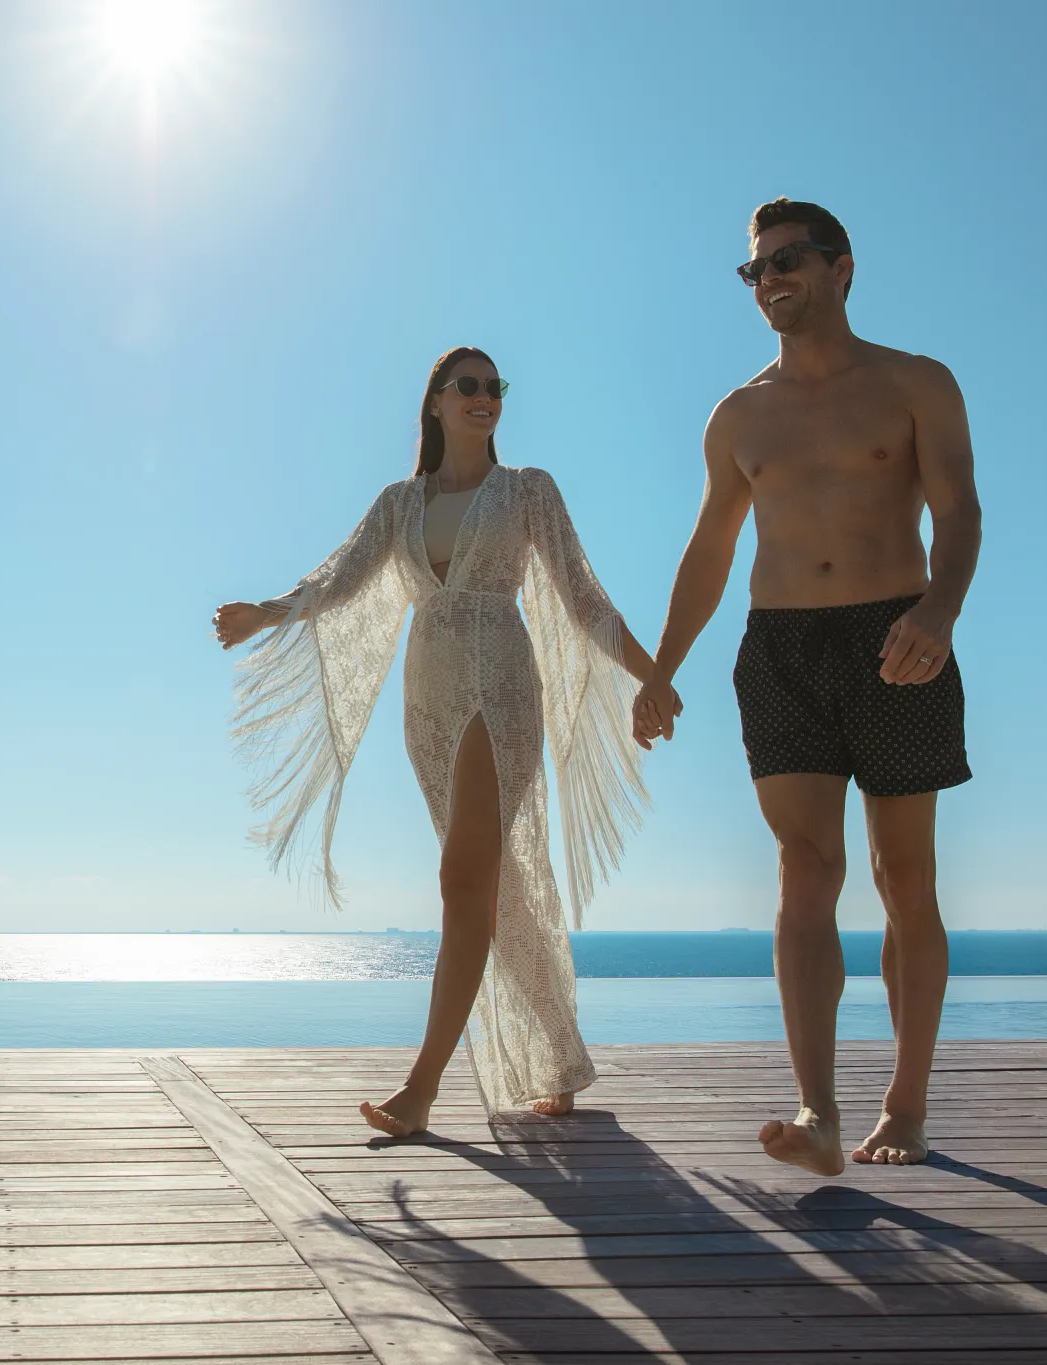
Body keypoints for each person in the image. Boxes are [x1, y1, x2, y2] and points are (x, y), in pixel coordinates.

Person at [214, 346, 660, 1132]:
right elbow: (338, 579)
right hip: (428, 701)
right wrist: (266, 612)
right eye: (469, 386)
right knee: (495, 884)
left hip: (501, 688)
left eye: (495, 387)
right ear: (436, 402)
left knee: (462, 882)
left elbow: (584, 597)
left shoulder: (528, 491)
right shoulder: (400, 503)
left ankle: (421, 1088)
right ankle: (560, 1055)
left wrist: (653, 677)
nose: (485, 397)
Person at [632, 198, 982, 1174]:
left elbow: (958, 511)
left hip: (896, 634)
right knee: (803, 867)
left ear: (841, 268)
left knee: (903, 877)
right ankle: (818, 1114)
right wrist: (661, 668)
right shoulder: (738, 415)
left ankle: (904, 1106)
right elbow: (709, 550)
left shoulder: (915, 384)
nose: (769, 279)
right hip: (779, 646)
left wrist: (939, 612)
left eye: (787, 260)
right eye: (754, 269)